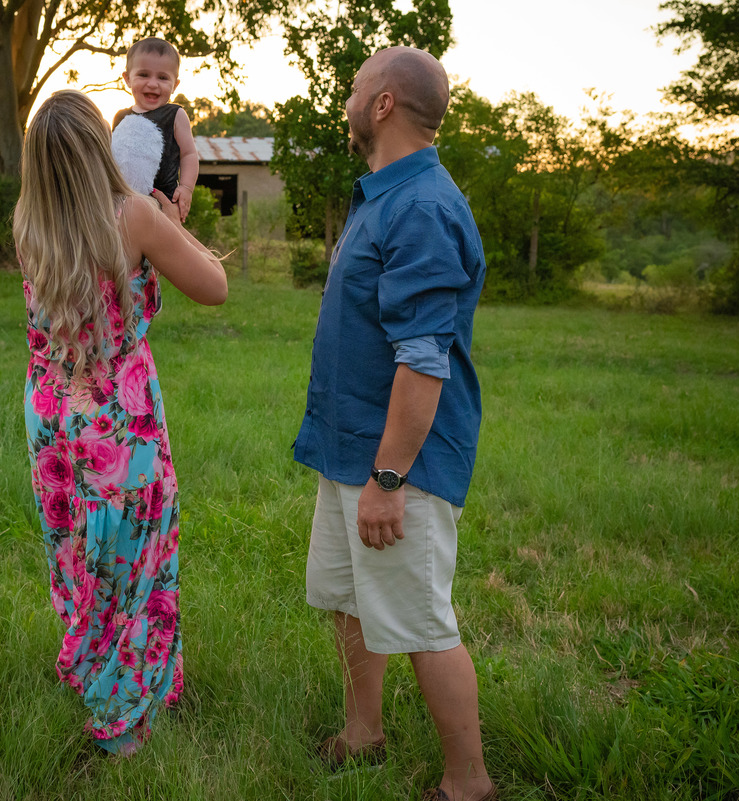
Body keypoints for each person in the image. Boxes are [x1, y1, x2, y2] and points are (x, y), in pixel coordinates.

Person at [292, 47, 496, 801]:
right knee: (350, 601)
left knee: (419, 620)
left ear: (381, 104)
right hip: (350, 451)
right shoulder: (383, 195)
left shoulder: (421, 208)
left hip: (395, 465)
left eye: (353, 87)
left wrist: (388, 478)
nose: (346, 98)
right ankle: (363, 732)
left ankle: (467, 782)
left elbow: (423, 361)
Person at [16, 89, 226, 755]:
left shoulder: (27, 217)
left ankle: (93, 664)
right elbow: (214, 285)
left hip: (51, 411)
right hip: (115, 416)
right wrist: (173, 218)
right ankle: (123, 710)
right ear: (96, 149)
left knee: (77, 548)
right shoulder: (131, 216)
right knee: (132, 555)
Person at [111, 37, 199, 221]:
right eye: (143, 75)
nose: (152, 83)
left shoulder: (175, 114)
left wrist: (186, 188)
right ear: (127, 79)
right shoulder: (120, 117)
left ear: (175, 85)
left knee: (163, 247)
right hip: (124, 205)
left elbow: (189, 154)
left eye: (163, 77)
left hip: (162, 205)